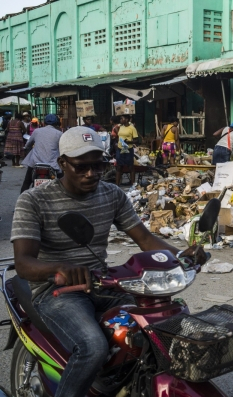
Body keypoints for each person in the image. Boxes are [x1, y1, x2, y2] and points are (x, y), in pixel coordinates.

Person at [11, 126, 207, 397]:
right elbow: (23, 263)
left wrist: (181, 256)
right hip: (56, 291)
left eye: (98, 165)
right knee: (93, 347)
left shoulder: (112, 194)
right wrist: (60, 268)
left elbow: (145, 239)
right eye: (81, 167)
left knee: (164, 325)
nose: (91, 174)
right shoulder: (33, 200)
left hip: (104, 284)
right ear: (62, 163)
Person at [20, 114, 64, 193]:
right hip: (53, 164)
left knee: (26, 182)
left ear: (44, 122)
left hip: (36, 163)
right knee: (63, 183)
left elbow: (28, 143)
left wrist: (26, 147)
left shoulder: (37, 131)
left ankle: (21, 202)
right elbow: (63, 147)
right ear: (56, 123)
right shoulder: (59, 133)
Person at [115, 114, 138, 186]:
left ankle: (133, 184)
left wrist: (129, 142)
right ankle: (117, 184)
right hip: (120, 149)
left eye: (122, 118)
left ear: (127, 119)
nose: (120, 120)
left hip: (128, 149)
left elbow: (136, 140)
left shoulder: (132, 128)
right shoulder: (120, 127)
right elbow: (118, 135)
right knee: (119, 167)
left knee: (130, 167)